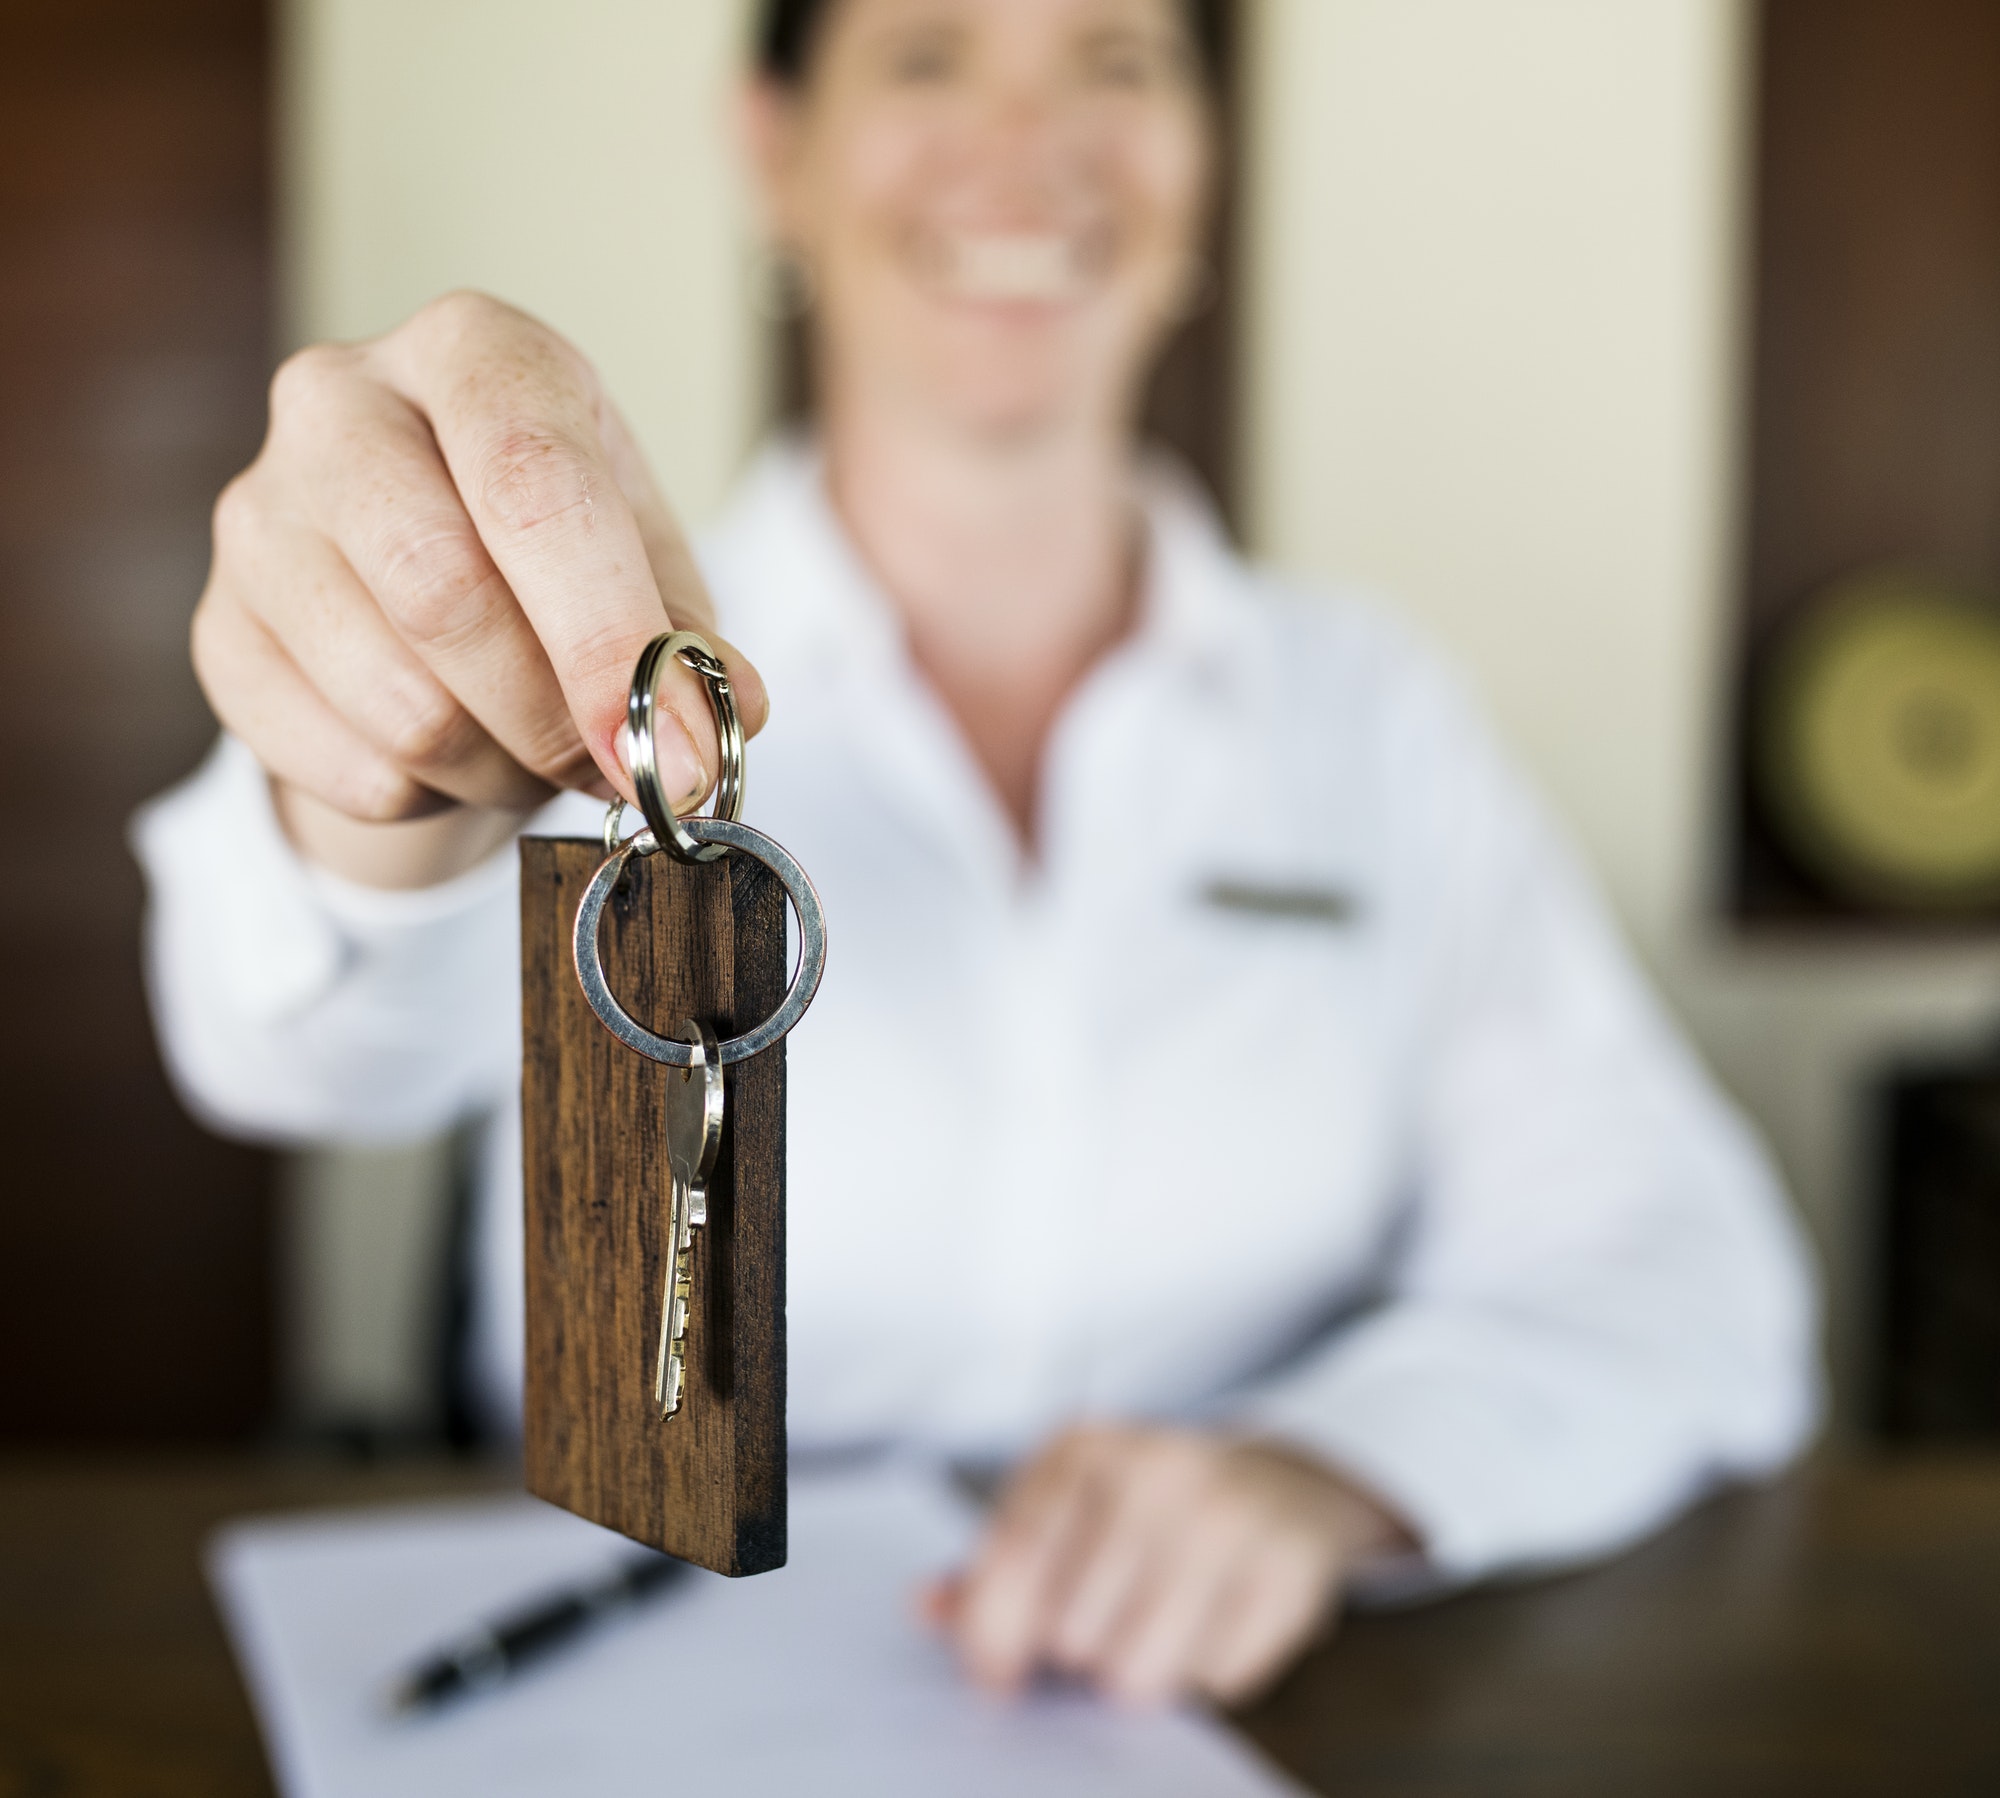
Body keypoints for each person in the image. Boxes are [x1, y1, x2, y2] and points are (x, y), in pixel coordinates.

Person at [134, 0, 1819, 1710]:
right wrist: (380, 761)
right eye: (931, 55)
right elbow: (281, 1048)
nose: (1029, 146)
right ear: (775, 150)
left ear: (1201, 161)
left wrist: (1329, 1473)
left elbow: (1692, 1276)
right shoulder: (573, 661)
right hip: (630, 1673)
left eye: (1116, 62)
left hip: (1201, 1701)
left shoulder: (1373, 719)